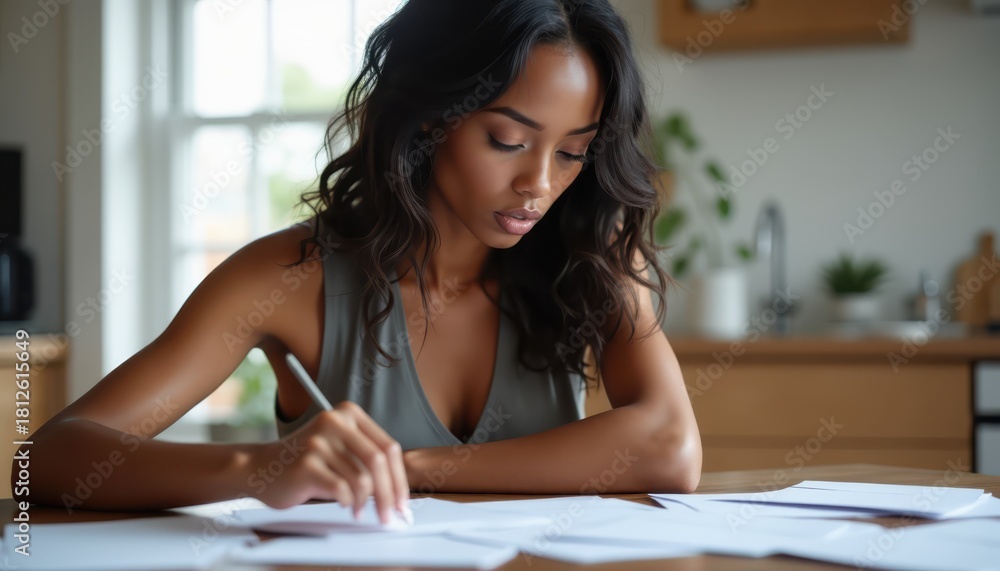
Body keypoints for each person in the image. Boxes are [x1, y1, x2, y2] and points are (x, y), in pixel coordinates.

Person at [18, 0, 701, 524]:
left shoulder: (590, 255)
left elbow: (670, 447)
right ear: (432, 114)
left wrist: (412, 466)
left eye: (574, 152)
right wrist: (261, 467)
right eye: (506, 139)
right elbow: (45, 459)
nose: (540, 184)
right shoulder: (288, 276)